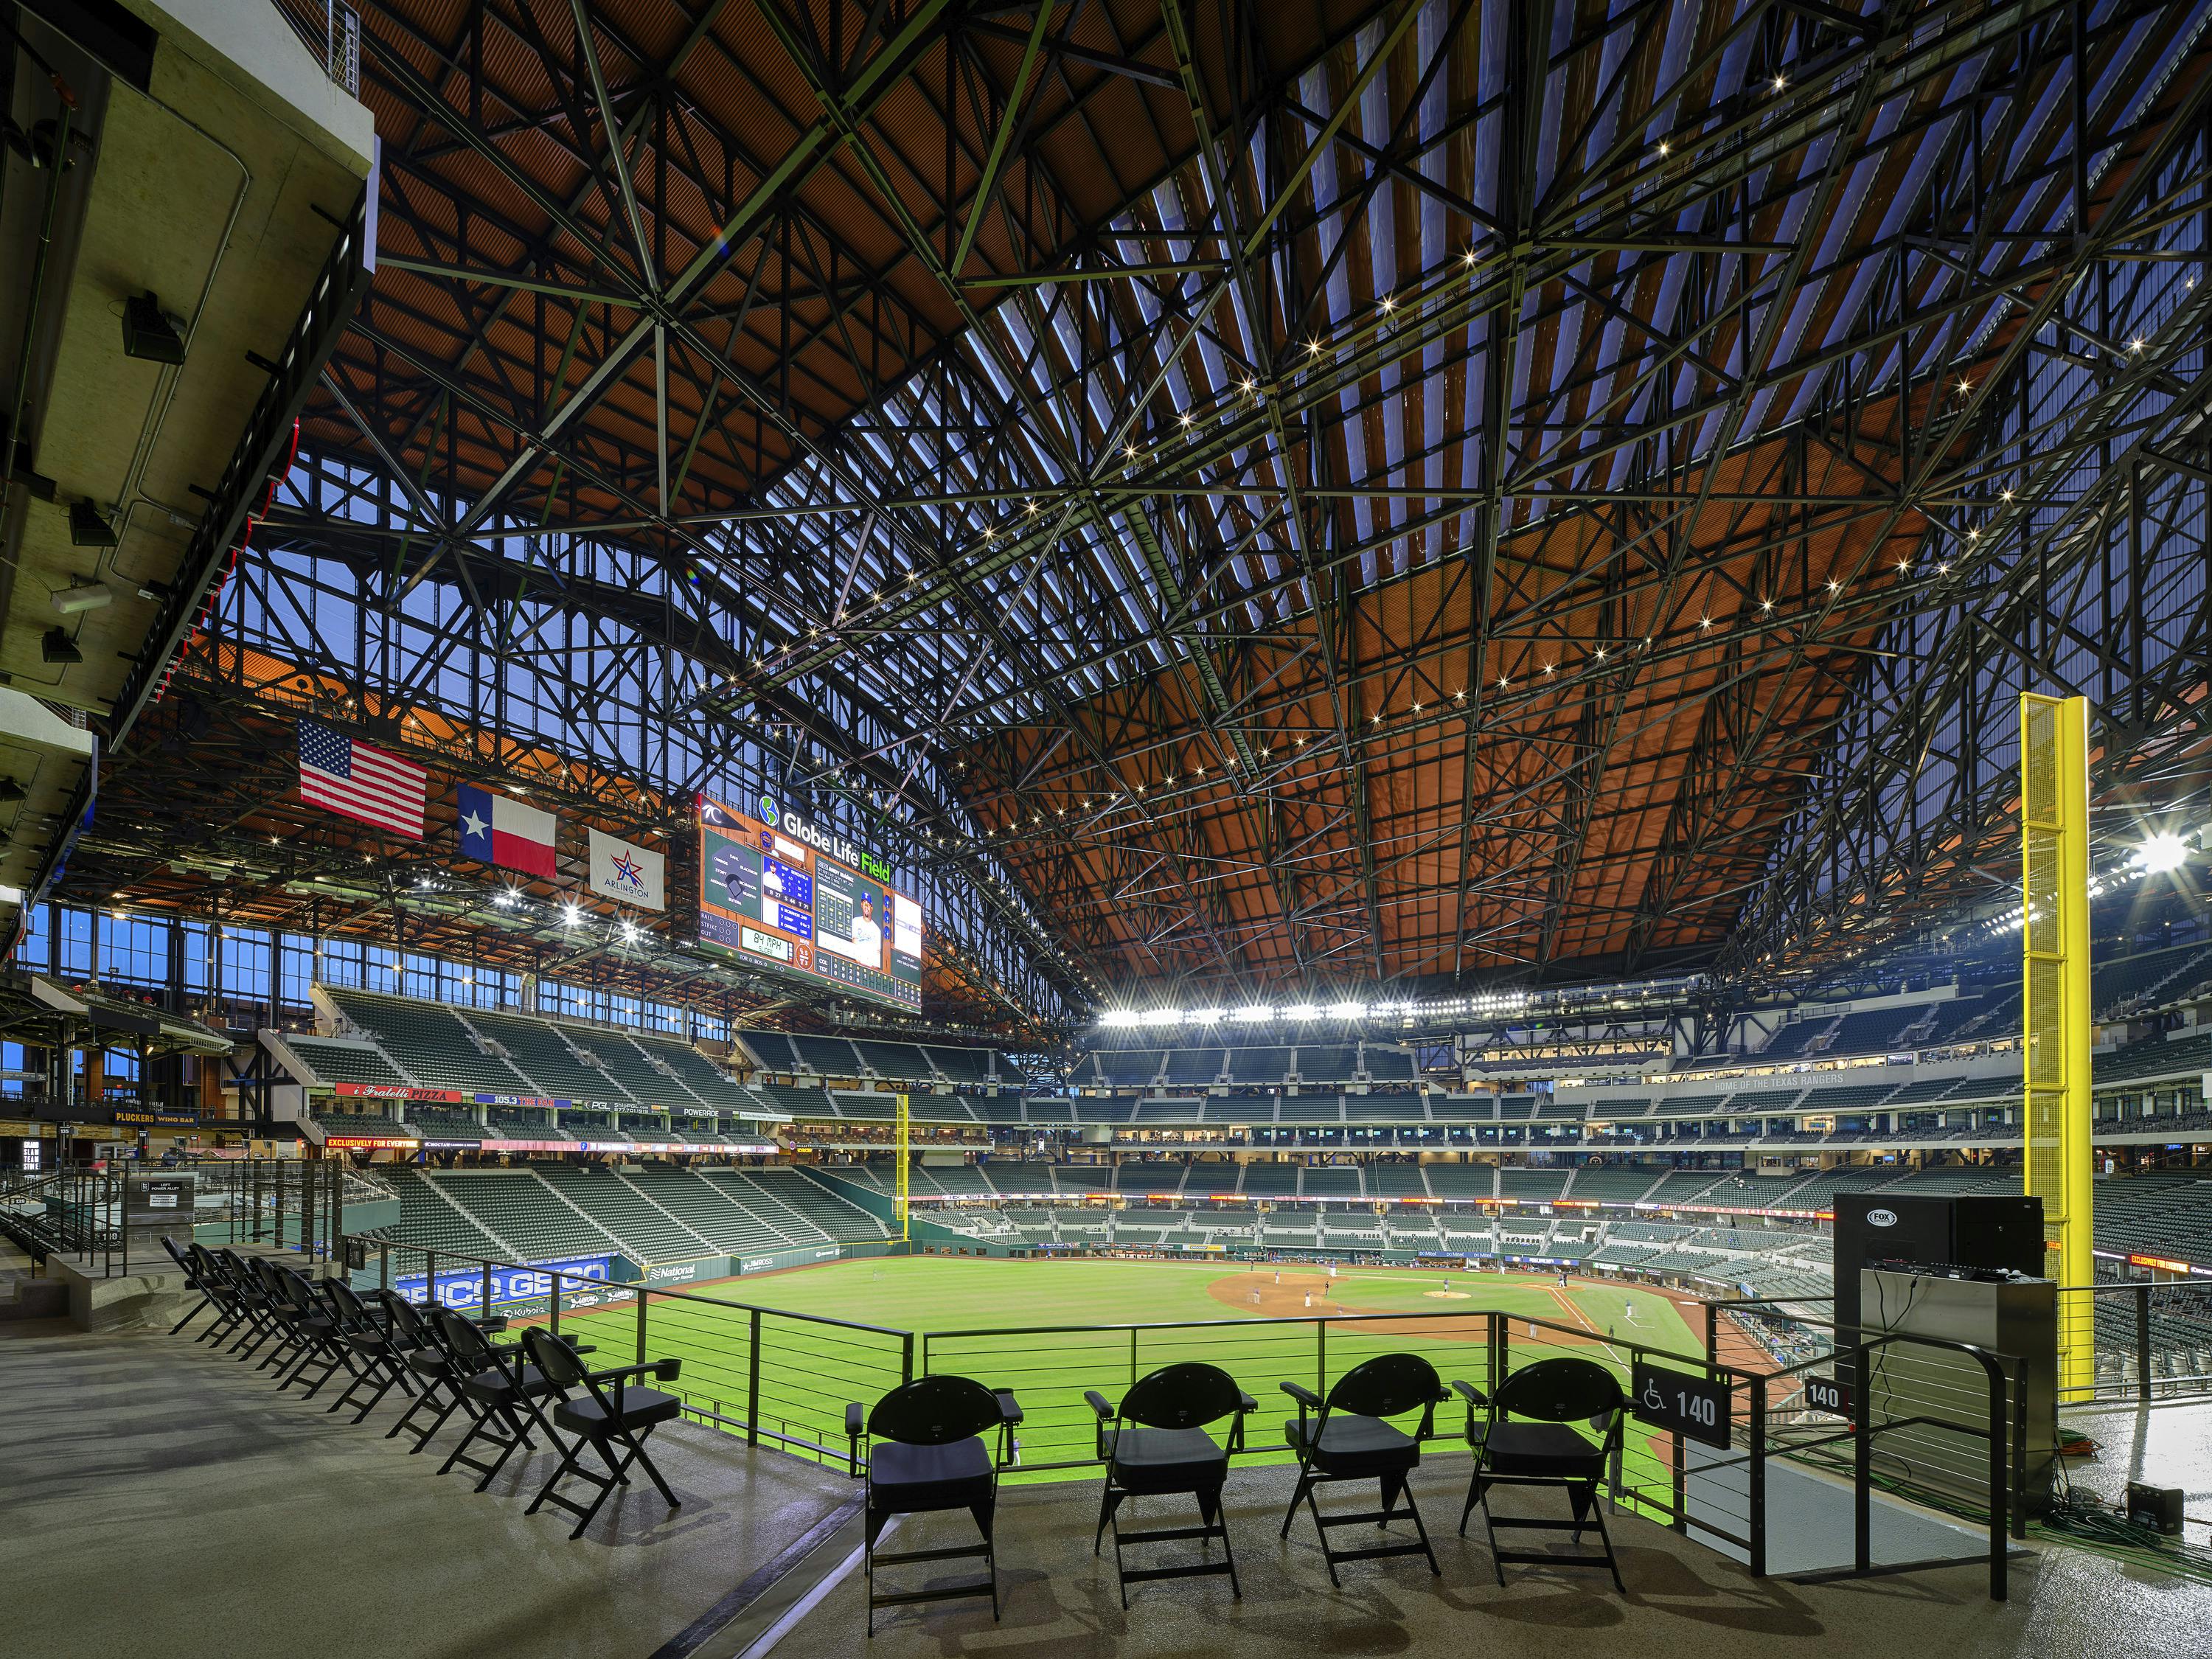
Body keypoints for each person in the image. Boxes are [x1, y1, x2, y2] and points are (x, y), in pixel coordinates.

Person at [851, 893, 883, 960]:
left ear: (872, 908)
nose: (866, 906)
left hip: (870, 966)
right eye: (864, 903)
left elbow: (878, 954)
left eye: (868, 904)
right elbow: (854, 944)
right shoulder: (855, 922)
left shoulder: (877, 930)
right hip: (858, 963)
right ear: (862, 905)